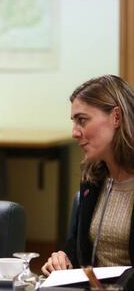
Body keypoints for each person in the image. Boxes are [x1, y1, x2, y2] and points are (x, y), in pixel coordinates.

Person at [42, 75, 134, 276]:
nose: (75, 132)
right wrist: (62, 258)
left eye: (82, 120)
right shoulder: (93, 178)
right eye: (74, 122)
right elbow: (78, 246)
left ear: (116, 117)